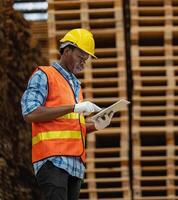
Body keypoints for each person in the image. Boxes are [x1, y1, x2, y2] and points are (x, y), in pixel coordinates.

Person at [21, 28, 113, 200]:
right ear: (67, 50)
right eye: (81, 57)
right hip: (53, 162)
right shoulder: (44, 75)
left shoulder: (75, 86)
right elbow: (30, 112)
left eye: (86, 60)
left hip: (75, 166)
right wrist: (73, 108)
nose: (83, 63)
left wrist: (96, 125)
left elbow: (70, 127)